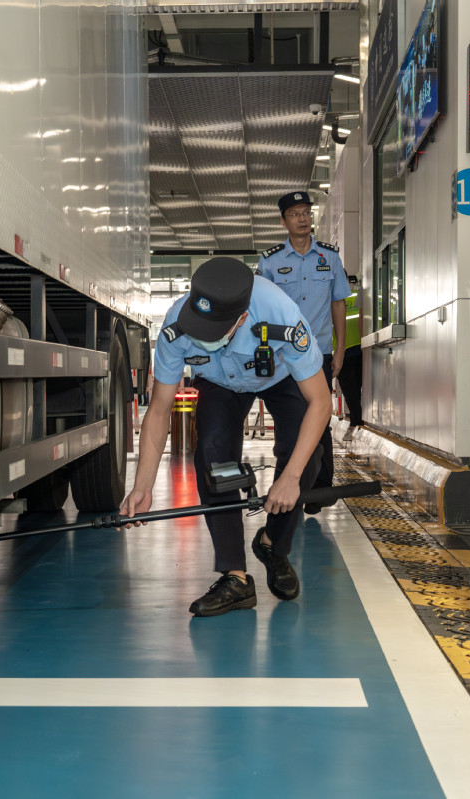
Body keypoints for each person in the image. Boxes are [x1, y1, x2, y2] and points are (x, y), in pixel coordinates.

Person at [120, 257, 331, 617]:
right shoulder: (175, 326)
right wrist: (142, 484)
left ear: (242, 319)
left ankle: (272, 545)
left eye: (212, 331)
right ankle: (235, 576)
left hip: (280, 377)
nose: (201, 337)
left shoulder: (281, 314)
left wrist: (290, 478)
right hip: (219, 384)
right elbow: (158, 411)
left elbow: (321, 402)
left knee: (305, 455)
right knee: (213, 454)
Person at [255, 191, 352, 513]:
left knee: (320, 417)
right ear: (283, 221)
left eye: (306, 212)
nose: (302, 218)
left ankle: (321, 489)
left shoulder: (330, 257)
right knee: (289, 422)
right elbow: (260, 309)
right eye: (295, 214)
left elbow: (338, 303)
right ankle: (290, 483)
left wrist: (340, 349)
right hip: (284, 354)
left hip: (320, 352)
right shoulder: (270, 261)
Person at [336, 274, 365, 441]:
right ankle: (357, 421)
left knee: (351, 391)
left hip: (344, 352)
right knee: (358, 390)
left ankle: (356, 421)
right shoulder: (359, 295)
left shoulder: (331, 301)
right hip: (360, 349)